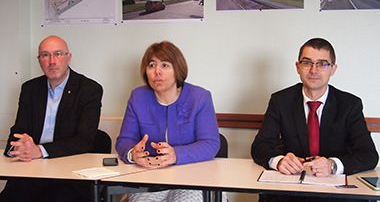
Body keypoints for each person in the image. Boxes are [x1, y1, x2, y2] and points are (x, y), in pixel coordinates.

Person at [251, 38, 378, 202]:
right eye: (307, 63)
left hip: (335, 193)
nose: (314, 70)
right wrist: (278, 161)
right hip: (291, 190)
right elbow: (260, 146)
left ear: (333, 69)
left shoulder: (350, 104)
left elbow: (369, 155)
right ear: (298, 67)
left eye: (322, 64)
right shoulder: (280, 101)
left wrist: (333, 165)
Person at [0, 35, 103, 202]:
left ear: (68, 58)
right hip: (30, 170)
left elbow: (84, 140)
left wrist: (39, 151)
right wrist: (19, 148)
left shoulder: (89, 89)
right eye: (45, 55)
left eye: (58, 54)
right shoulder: (30, 89)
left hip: (68, 174)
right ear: (39, 60)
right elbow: (19, 131)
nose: (52, 61)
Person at [116, 41, 220, 201]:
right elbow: (124, 140)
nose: (157, 71)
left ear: (177, 70)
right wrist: (132, 154)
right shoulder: (137, 97)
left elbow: (210, 143)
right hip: (149, 176)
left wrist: (176, 155)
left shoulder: (199, 97)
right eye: (151, 65)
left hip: (191, 176)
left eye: (165, 65)